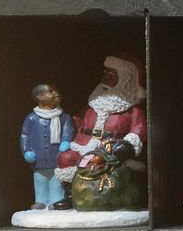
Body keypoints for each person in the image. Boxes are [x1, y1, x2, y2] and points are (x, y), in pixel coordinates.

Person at [53, 55, 147, 210]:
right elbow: (76, 121)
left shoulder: (132, 110)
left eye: (111, 75)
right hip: (83, 146)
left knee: (109, 168)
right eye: (105, 73)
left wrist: (126, 146)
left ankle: (111, 199)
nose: (105, 78)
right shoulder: (93, 103)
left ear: (124, 80)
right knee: (66, 158)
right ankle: (71, 195)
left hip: (109, 150)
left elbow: (138, 130)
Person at [20, 83, 75, 209]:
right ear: (40, 96)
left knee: (56, 180)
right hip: (38, 158)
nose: (55, 93)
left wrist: (66, 141)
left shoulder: (64, 117)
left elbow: (68, 131)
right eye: (50, 91)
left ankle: (55, 200)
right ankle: (41, 200)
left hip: (56, 157)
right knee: (40, 179)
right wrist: (26, 151)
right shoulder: (32, 118)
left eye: (56, 91)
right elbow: (25, 136)